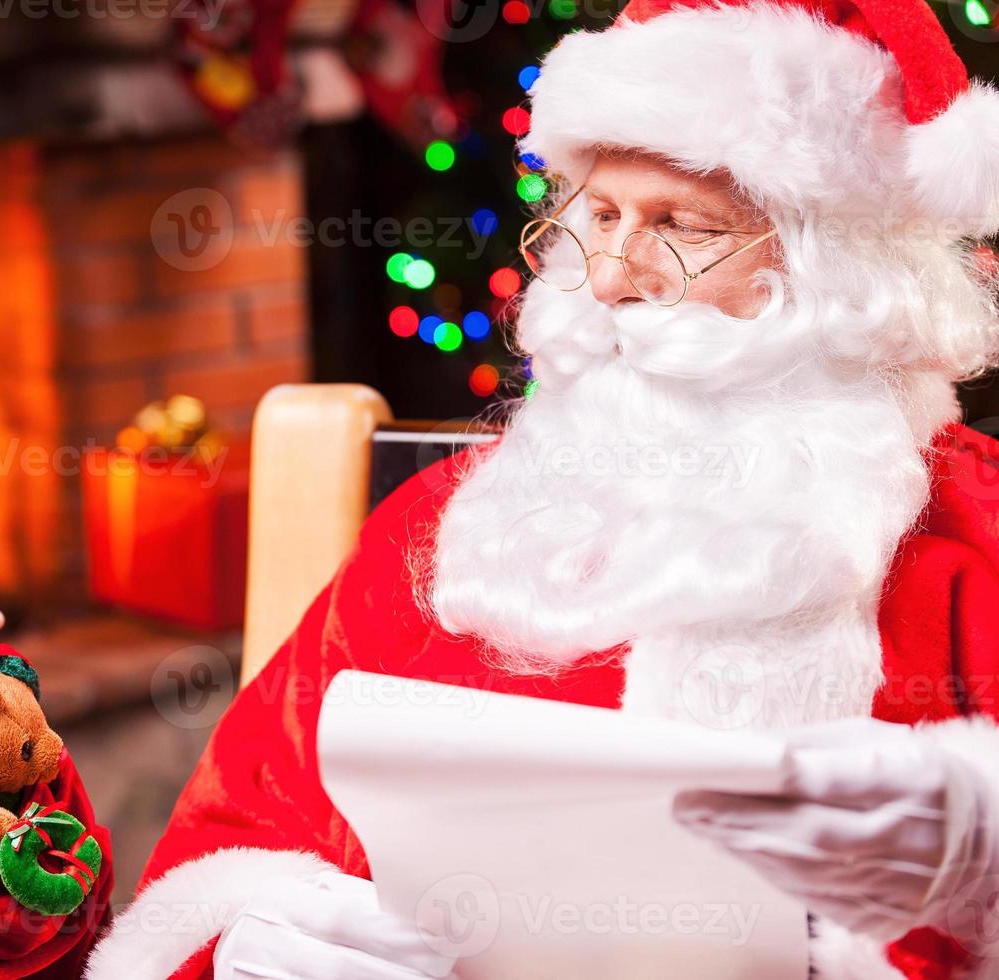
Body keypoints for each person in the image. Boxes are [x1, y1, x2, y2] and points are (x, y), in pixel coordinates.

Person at [86, 0, 999, 976]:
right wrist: (243, 938)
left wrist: (976, 860)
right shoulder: (440, 530)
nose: (607, 279)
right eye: (599, 214)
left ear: (844, 274)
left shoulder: (969, 537)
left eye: (682, 229)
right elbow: (232, 833)